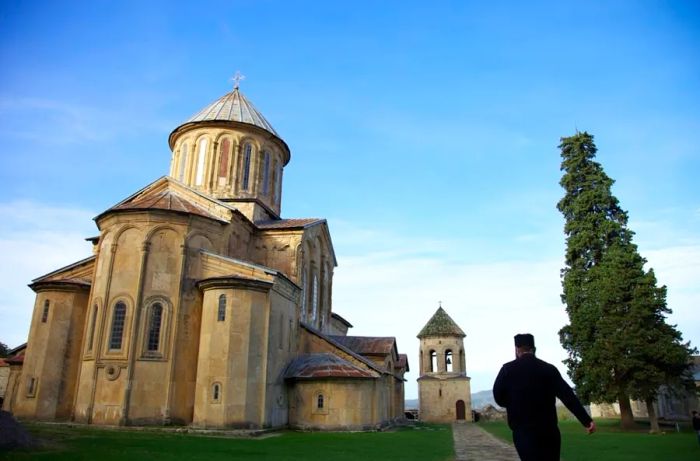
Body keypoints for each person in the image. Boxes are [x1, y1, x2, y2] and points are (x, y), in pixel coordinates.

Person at [493, 333, 595, 461]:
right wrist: (586, 420)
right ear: (534, 349)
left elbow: (498, 395)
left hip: (523, 431)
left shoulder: (507, 369)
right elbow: (568, 395)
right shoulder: (549, 369)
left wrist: (512, 403)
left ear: (517, 350)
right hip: (548, 431)